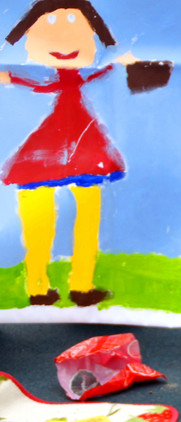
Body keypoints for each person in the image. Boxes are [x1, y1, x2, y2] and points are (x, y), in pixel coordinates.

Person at [1, 0, 143, 306]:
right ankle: (38, 286)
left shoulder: (85, 76)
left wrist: (120, 63)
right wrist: (10, 78)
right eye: (49, 27)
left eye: (79, 30)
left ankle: (80, 284)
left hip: (84, 147)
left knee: (88, 216)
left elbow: (94, 74)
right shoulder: (45, 78)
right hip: (45, 151)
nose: (65, 42)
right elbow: (37, 83)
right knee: (41, 217)